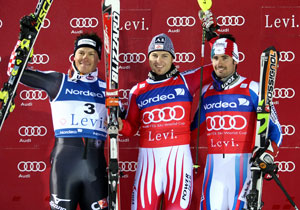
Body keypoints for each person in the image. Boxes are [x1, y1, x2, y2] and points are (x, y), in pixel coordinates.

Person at [7, 17, 109, 210]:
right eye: (81, 52)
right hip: (65, 166)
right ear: (73, 56)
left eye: (91, 53)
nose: (85, 58)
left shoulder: (109, 89)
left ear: (98, 59)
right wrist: (24, 39)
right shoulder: (58, 82)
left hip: (95, 169)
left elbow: (126, 123)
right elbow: (15, 71)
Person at [191, 21, 283, 209]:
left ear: (235, 59)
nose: (219, 63)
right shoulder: (206, 92)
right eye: (215, 58)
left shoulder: (253, 89)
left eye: (225, 57)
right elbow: (193, 130)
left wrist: (269, 154)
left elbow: (276, 130)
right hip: (214, 169)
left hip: (243, 167)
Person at [118, 32, 213, 210]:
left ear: (173, 58)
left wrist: (212, 36)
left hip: (178, 162)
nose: (158, 60)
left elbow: (218, 66)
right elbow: (131, 129)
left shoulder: (186, 80)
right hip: (148, 164)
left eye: (164, 55)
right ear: (148, 57)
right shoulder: (137, 91)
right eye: (154, 55)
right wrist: (120, 125)